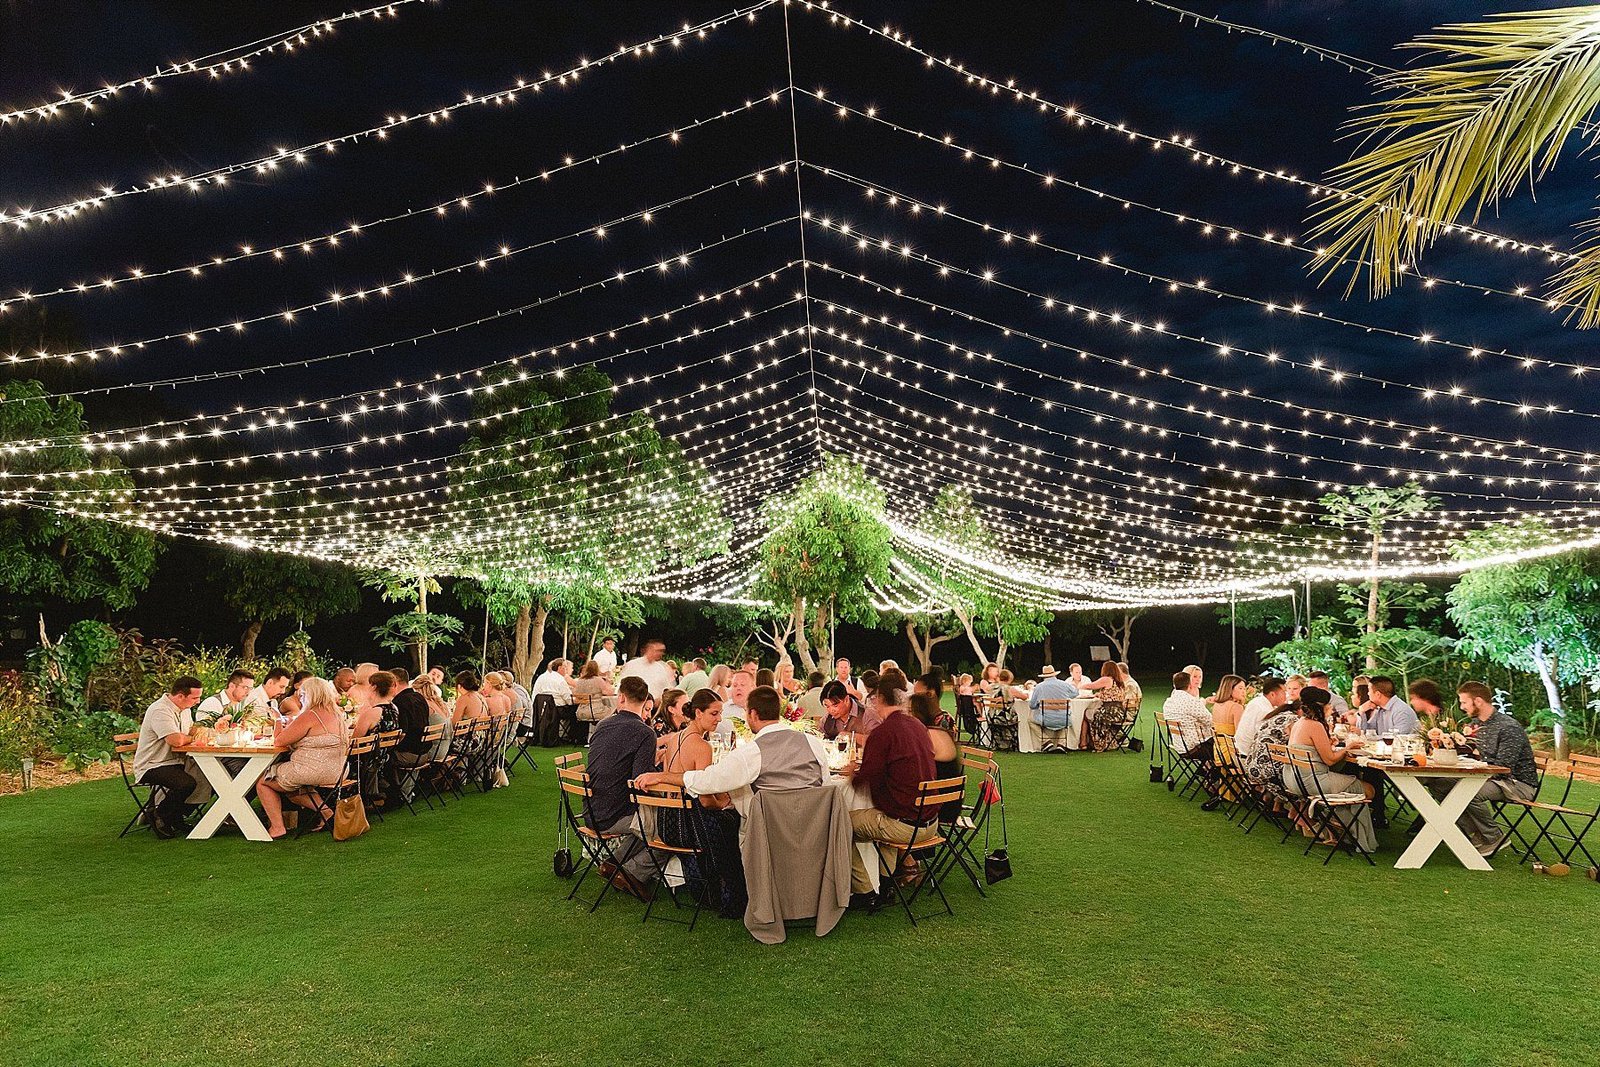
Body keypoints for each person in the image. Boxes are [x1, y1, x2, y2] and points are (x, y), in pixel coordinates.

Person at [639, 685, 826, 826]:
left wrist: (659, 776)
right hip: (813, 827)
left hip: (669, 820)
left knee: (738, 816)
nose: (720, 719)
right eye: (715, 713)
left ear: (751, 713)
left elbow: (708, 781)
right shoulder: (813, 743)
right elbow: (826, 784)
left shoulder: (751, 752)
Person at [839, 674, 937, 900]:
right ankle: (886, 883)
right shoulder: (917, 725)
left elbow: (864, 780)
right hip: (931, 821)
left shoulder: (883, 733)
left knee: (840, 822)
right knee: (886, 811)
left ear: (879, 699)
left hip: (905, 825)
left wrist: (853, 771)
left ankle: (864, 890)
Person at [1435, 681, 1539, 856]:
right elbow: (1470, 752)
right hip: (1490, 778)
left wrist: (1472, 770)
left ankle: (1493, 838)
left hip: (1517, 784)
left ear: (1478, 701)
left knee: (1468, 791)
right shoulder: (1477, 724)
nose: (1462, 707)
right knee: (1440, 784)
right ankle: (1475, 835)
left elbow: (1503, 768)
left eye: (1464, 702)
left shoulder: (1508, 727)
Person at [583, 676, 659, 898]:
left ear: (621, 697)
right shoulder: (645, 732)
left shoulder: (603, 724)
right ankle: (632, 872)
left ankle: (612, 864)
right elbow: (640, 780)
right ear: (645, 702)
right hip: (614, 814)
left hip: (591, 809)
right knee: (664, 824)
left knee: (649, 820)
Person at [256, 677, 352, 839]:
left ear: (310, 695)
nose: (300, 699)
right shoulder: (337, 713)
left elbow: (279, 741)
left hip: (311, 770)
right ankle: (327, 813)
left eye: (302, 695)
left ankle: (277, 827)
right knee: (294, 786)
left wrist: (278, 719)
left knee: (264, 781)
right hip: (338, 770)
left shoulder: (310, 715)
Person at [1282, 688, 1375, 853]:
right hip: (1313, 782)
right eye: (1328, 705)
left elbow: (1318, 752)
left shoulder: (1299, 723)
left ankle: (1338, 829)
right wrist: (1348, 747)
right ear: (1320, 706)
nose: (1331, 708)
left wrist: (1330, 744)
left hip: (1294, 779)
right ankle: (1349, 832)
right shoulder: (1315, 725)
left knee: (1349, 780)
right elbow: (1330, 760)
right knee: (1368, 789)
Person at [131, 676, 208, 837]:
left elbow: (190, 729)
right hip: (153, 764)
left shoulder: (184, 709)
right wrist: (195, 738)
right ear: (180, 695)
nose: (198, 701)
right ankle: (160, 815)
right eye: (195, 698)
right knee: (186, 783)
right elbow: (176, 740)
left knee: (209, 776)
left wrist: (208, 730)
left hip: (176, 761)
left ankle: (175, 816)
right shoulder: (160, 710)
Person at [1163, 670, 1221, 808]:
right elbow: (1211, 721)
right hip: (1194, 747)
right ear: (1189, 685)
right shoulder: (1189, 701)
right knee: (1224, 747)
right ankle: (1216, 782)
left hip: (1179, 745)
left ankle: (1208, 774)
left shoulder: (1169, 702)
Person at [909, 691, 962, 822]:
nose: (906, 715)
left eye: (910, 711)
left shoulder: (928, 735)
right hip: (950, 799)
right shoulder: (938, 731)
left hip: (940, 806)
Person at [389, 666, 433, 802]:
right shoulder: (419, 697)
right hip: (425, 752)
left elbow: (401, 732)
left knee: (381, 757)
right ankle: (405, 792)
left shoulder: (399, 703)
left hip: (410, 754)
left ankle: (394, 794)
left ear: (394, 682)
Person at [1028, 666, 1079, 747]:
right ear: (1055, 675)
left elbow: (1032, 705)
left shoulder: (1039, 687)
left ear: (1044, 676)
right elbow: (1075, 693)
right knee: (1065, 719)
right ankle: (1061, 744)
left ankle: (1046, 741)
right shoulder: (1064, 684)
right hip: (1064, 719)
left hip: (1046, 720)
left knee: (1030, 720)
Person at [1235, 677, 1286, 757]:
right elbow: (1265, 739)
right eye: (1284, 692)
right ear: (1272, 694)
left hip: (1239, 752)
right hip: (1248, 757)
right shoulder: (1266, 711)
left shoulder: (1256, 701)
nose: (1286, 696)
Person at [1354, 676, 1420, 736]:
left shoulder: (1401, 711)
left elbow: (1397, 738)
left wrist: (1371, 738)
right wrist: (1362, 712)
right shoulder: (1380, 709)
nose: (1368, 694)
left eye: (1369, 690)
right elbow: (1366, 732)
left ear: (1378, 694)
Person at [820, 679, 871, 744]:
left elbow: (877, 741)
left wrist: (851, 737)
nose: (831, 710)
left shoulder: (867, 714)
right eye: (827, 706)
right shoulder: (827, 719)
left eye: (835, 706)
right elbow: (819, 737)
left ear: (846, 699)